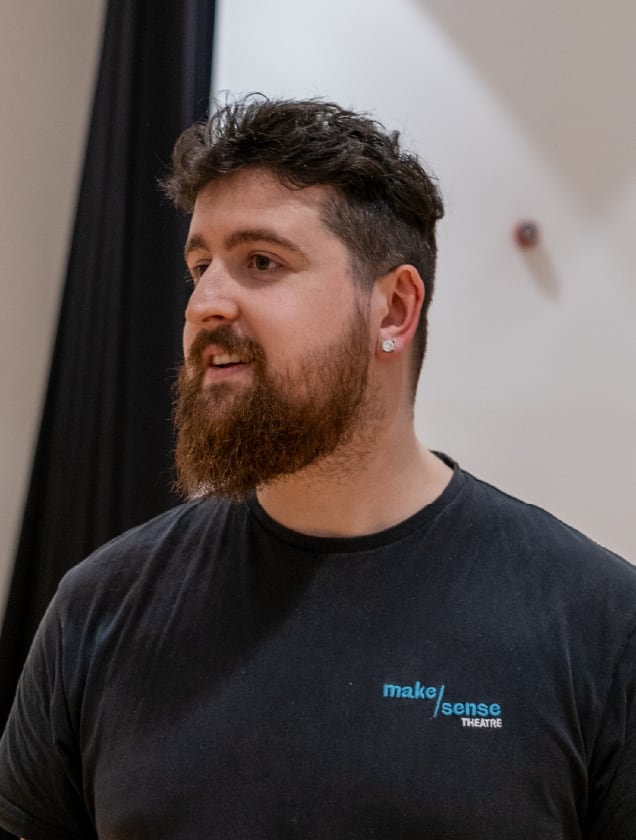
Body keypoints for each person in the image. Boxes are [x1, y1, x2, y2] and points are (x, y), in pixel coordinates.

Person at [0, 95, 634, 840]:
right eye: (199, 266)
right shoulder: (98, 609)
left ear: (394, 309)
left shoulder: (597, 622)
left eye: (260, 262)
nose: (204, 303)